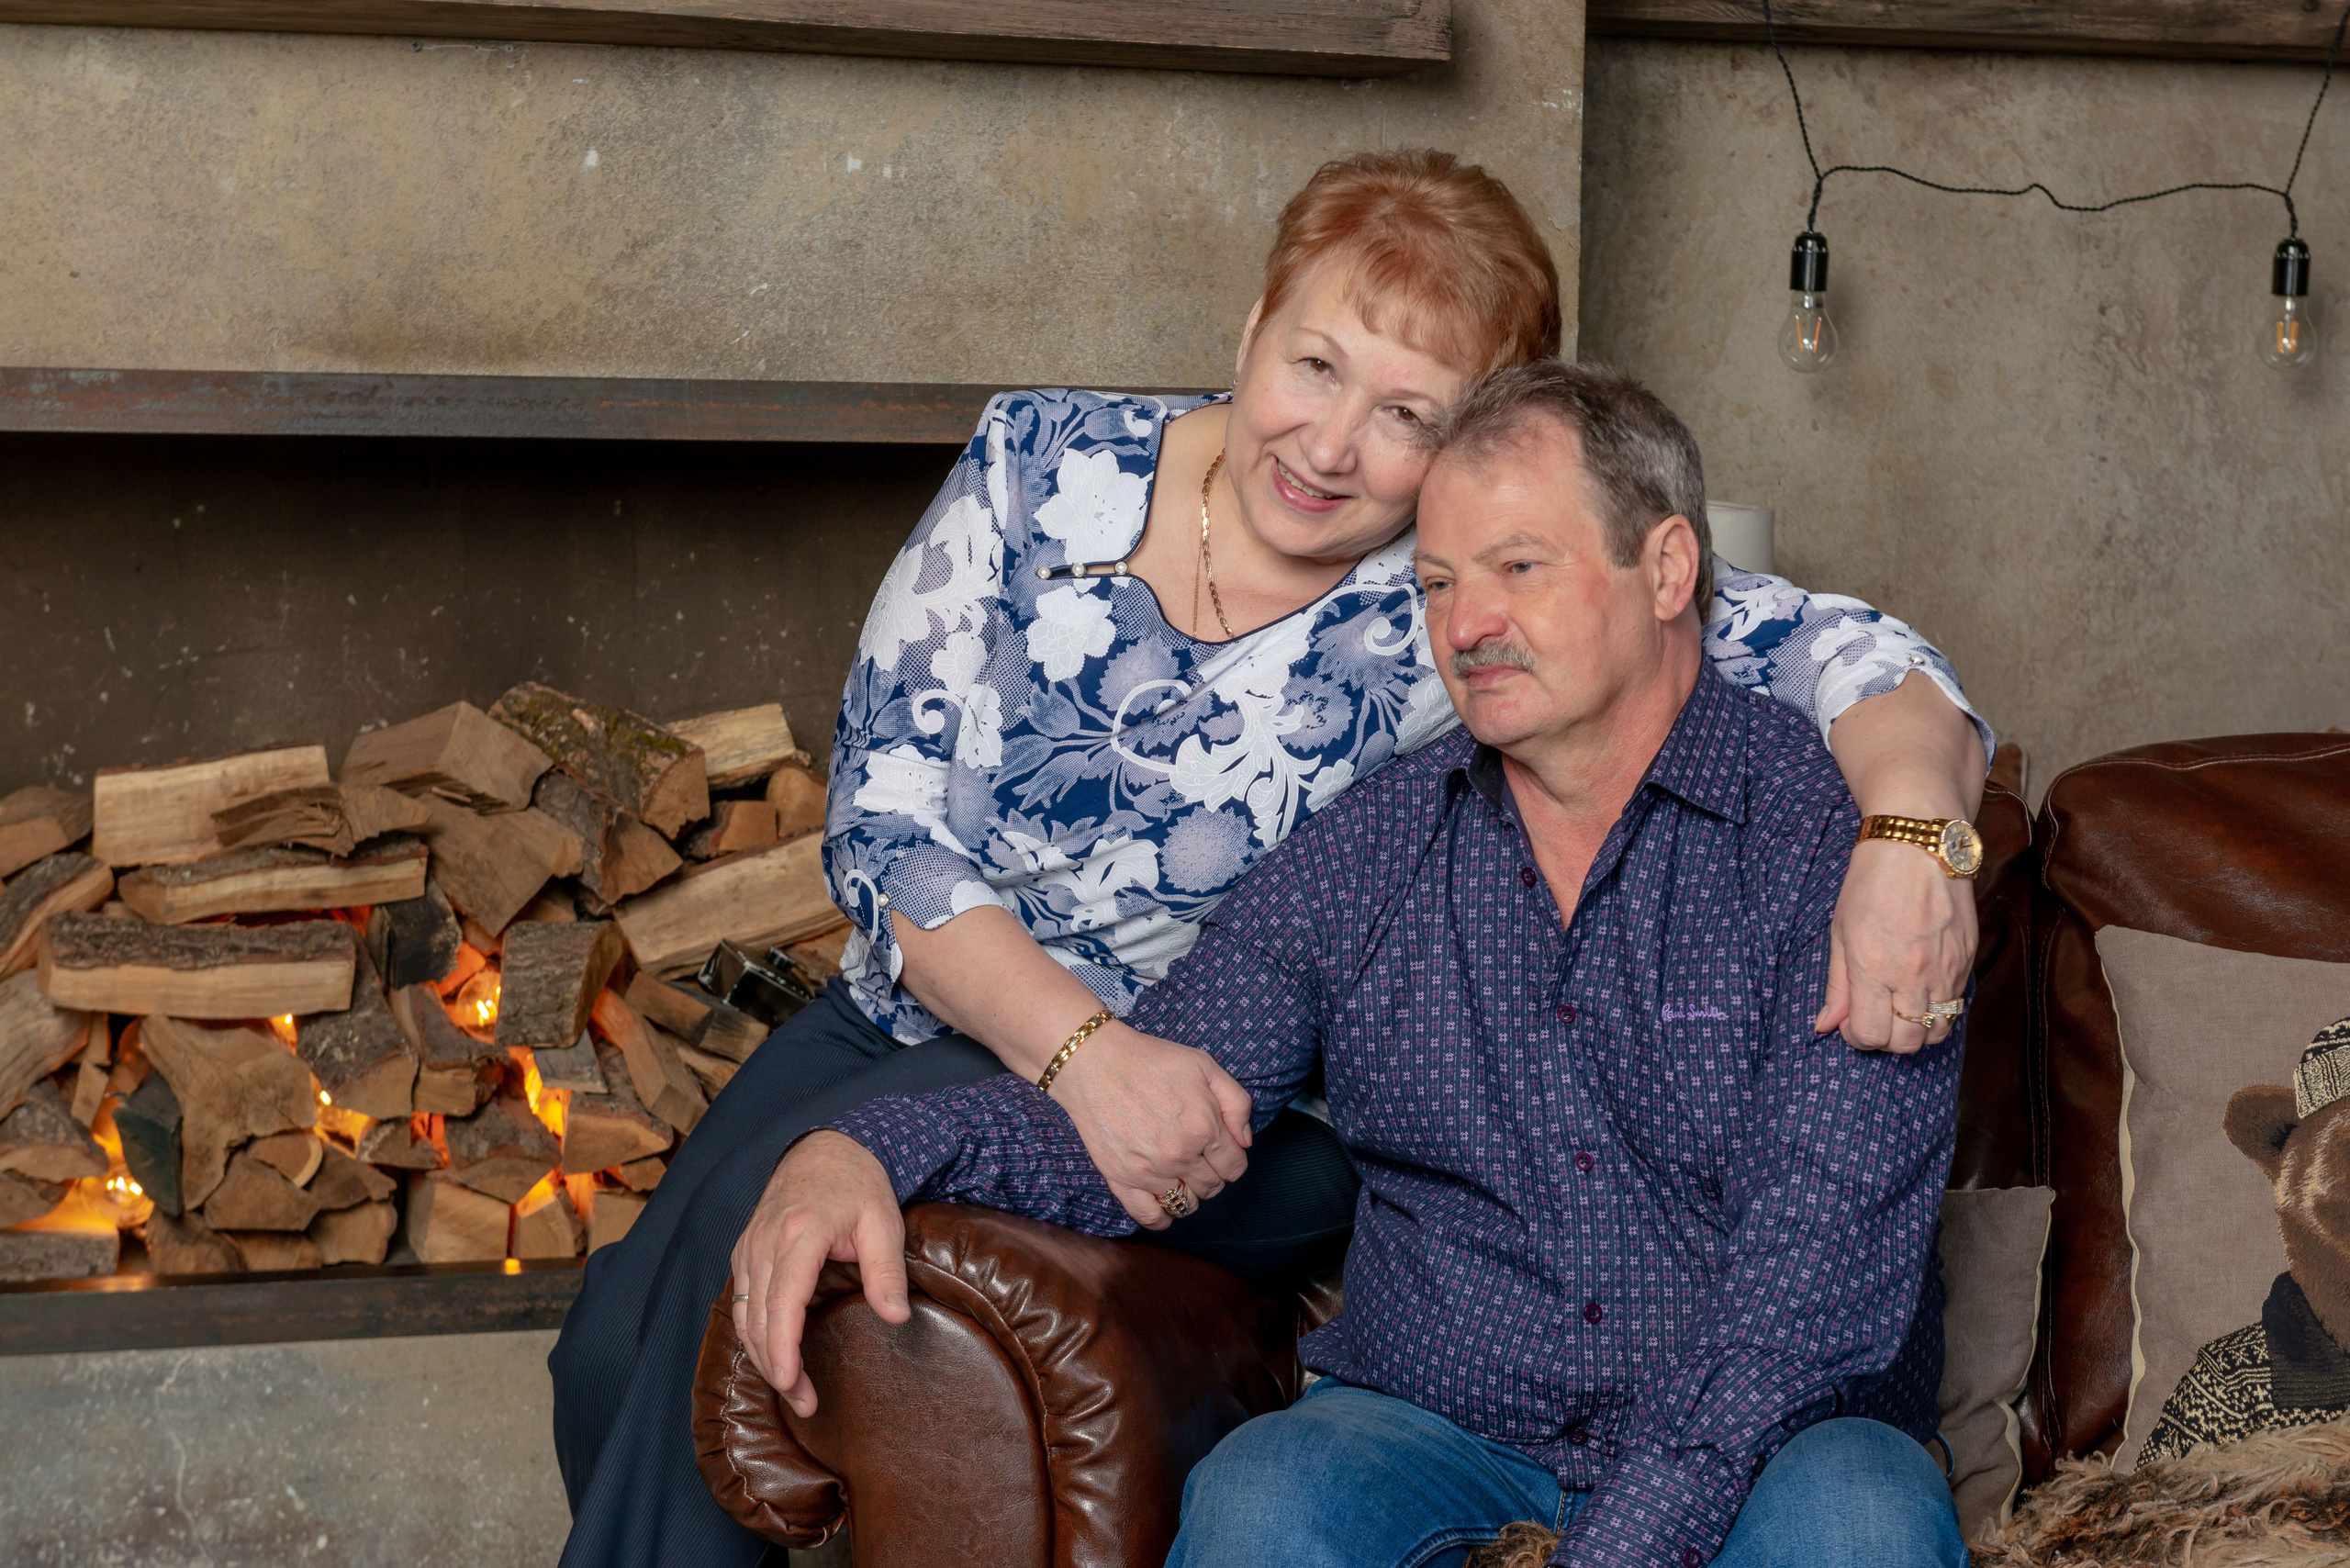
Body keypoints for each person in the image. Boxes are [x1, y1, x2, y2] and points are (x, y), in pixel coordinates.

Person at [551, 151, 1989, 1567]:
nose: (1331, 443)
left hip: (1208, 1093)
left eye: (1408, 414)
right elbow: (882, 815)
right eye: (1314, 367)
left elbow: (1827, 649)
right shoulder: (1051, 465)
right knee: (621, 1352)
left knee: (1847, 1518)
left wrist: (1912, 834)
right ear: (1250, 334)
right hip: (953, 1006)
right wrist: (869, 1136)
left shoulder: (1500, 609)